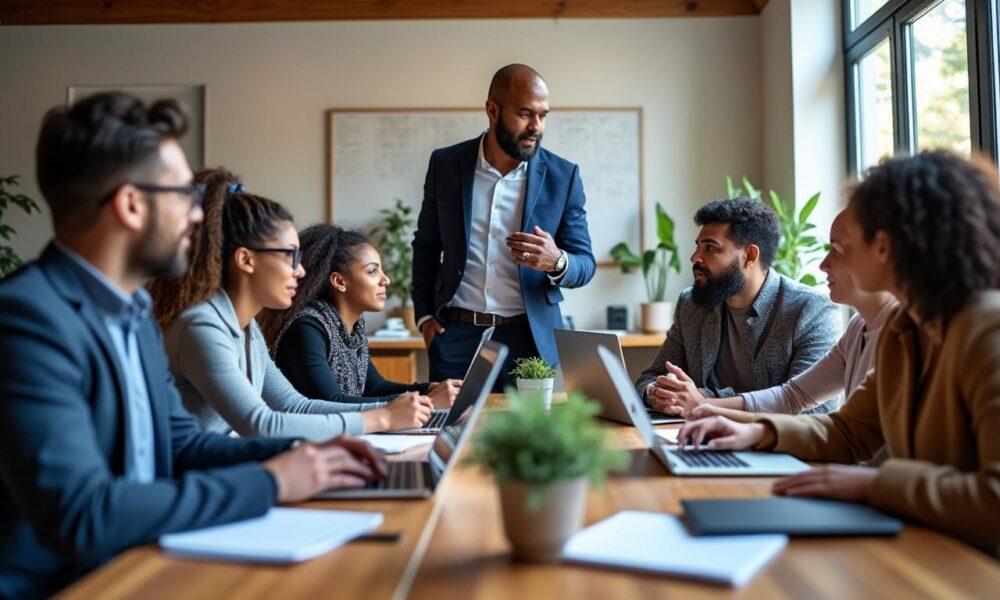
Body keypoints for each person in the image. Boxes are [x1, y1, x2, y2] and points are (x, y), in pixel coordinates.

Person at [0, 92, 385, 599]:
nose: (200, 216)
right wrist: (273, 482)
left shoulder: (135, 314)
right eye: (183, 195)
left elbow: (182, 444)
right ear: (131, 205)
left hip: (142, 562)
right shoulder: (28, 318)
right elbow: (82, 514)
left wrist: (306, 454)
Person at [677, 151, 1000, 555]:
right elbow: (850, 432)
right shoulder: (905, 327)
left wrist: (874, 485)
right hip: (926, 545)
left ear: (883, 246)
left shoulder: (987, 329)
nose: (826, 262)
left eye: (841, 247)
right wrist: (757, 432)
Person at [149, 168, 432, 437]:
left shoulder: (247, 329)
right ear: (246, 259)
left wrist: (397, 411)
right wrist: (383, 417)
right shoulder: (202, 325)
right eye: (290, 255)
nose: (301, 271)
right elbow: (261, 424)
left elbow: (294, 406)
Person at [412, 63, 596, 388]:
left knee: (530, 424)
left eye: (543, 115)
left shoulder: (563, 176)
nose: (536, 126)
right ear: (492, 111)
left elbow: (585, 263)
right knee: (451, 422)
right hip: (455, 337)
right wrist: (425, 317)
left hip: (530, 340)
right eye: (525, 114)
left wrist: (557, 261)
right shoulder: (445, 165)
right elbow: (426, 245)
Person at [656, 209, 898, 418]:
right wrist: (690, 402)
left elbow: (815, 414)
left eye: (836, 251)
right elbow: (793, 397)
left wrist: (703, 401)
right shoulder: (857, 328)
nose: (823, 264)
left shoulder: (816, 311)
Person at [636, 198, 841, 413]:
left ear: (749, 256)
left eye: (710, 248)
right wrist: (656, 393)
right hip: (693, 431)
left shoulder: (811, 310)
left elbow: (812, 411)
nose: (695, 257)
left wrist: (705, 399)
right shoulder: (691, 305)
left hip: (767, 436)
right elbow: (651, 377)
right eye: (698, 247)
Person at [260, 224, 461, 407]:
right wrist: (427, 401)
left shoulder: (351, 326)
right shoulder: (306, 327)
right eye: (372, 271)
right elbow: (331, 402)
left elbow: (374, 387)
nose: (386, 280)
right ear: (339, 282)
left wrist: (431, 389)